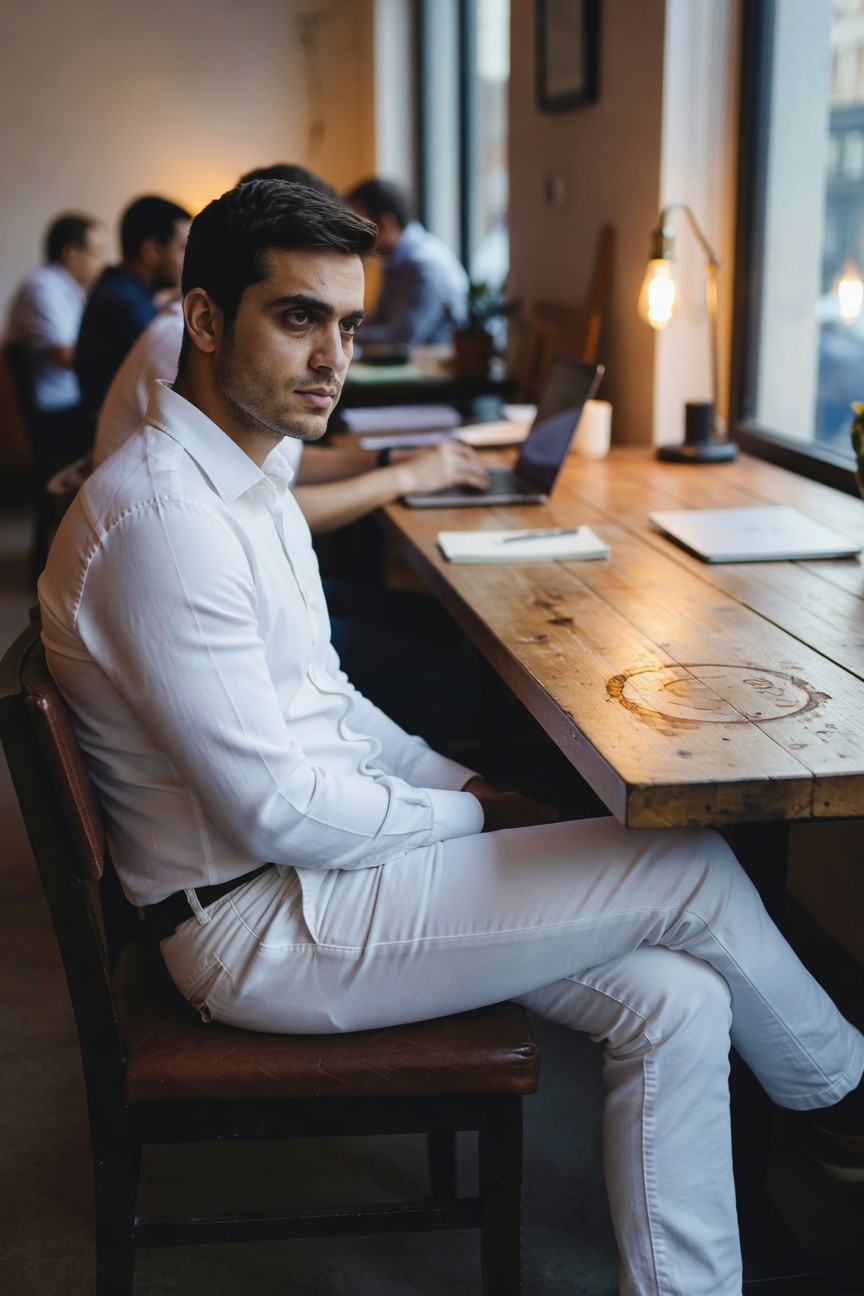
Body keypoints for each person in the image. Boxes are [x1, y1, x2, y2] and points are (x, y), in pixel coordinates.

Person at [39, 181, 863, 1296]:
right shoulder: (163, 520)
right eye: (298, 318)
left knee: (684, 996)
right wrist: (468, 814)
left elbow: (332, 705)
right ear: (203, 318)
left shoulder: (249, 477)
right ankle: (844, 1103)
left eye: (348, 324)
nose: (332, 354)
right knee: (687, 861)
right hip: (261, 926)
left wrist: (465, 780)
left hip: (322, 874)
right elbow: (276, 810)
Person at [75, 194, 192, 424]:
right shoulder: (120, 301)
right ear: (151, 251)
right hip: (112, 438)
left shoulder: (122, 290)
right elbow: (180, 363)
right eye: (183, 248)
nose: (189, 259)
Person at [5, 212, 105, 452]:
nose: (100, 263)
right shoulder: (43, 287)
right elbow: (66, 357)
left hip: (69, 400)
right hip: (55, 409)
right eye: (96, 253)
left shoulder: (67, 288)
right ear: (72, 254)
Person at [345, 177, 469, 347]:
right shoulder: (398, 260)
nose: (354, 237)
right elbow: (380, 321)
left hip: (433, 370)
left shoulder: (423, 265)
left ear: (385, 224)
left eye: (359, 227)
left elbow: (401, 339)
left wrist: (342, 332)